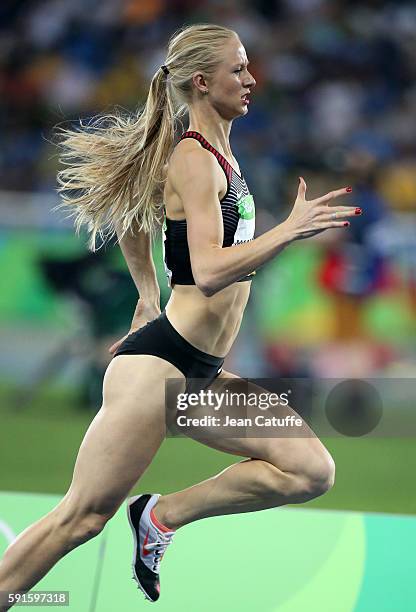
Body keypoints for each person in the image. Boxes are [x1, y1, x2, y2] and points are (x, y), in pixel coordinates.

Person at [0, 23, 361, 608]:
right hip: (160, 370)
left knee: (308, 470)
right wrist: (289, 230)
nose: (250, 79)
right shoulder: (195, 159)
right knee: (82, 518)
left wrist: (146, 293)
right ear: (201, 80)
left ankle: (160, 516)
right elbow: (211, 269)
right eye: (238, 69)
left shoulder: (214, 154)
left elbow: (131, 214)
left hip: (201, 373)